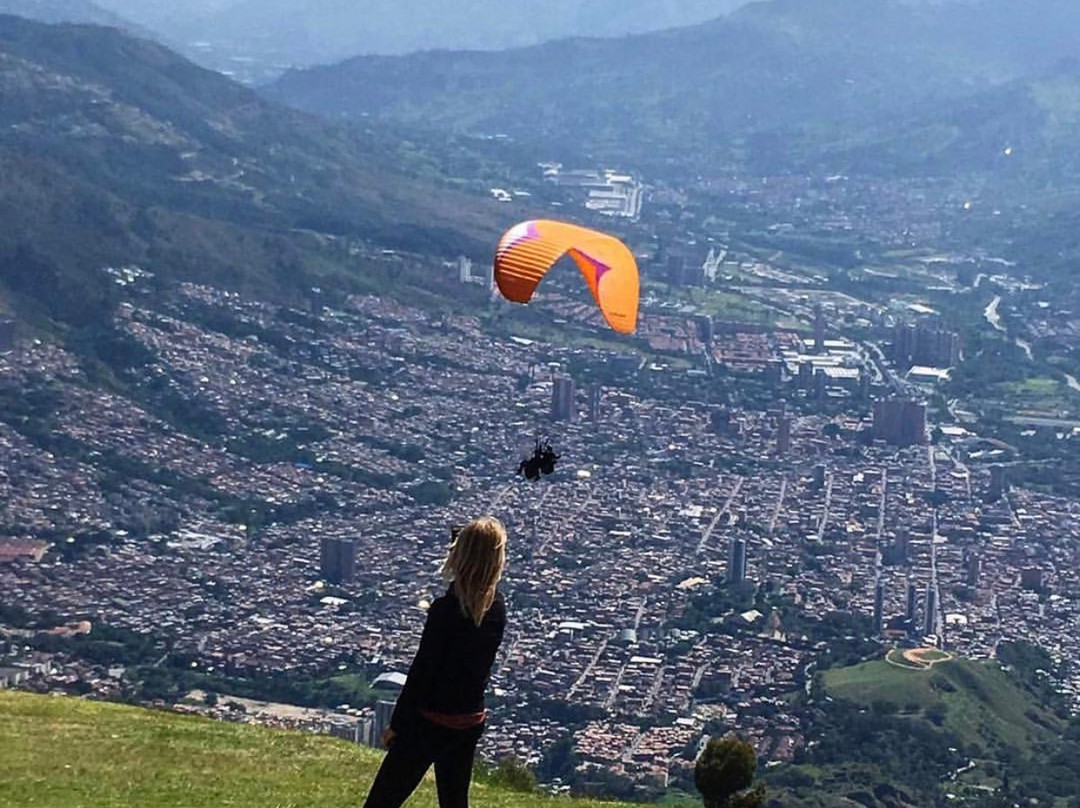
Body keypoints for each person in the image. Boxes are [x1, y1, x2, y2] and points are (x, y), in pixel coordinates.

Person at [362, 517, 508, 808]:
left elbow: (422, 673)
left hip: (429, 723)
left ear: (460, 555)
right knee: (454, 802)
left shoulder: (445, 610)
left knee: (381, 802)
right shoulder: (496, 609)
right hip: (469, 720)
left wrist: (397, 726)